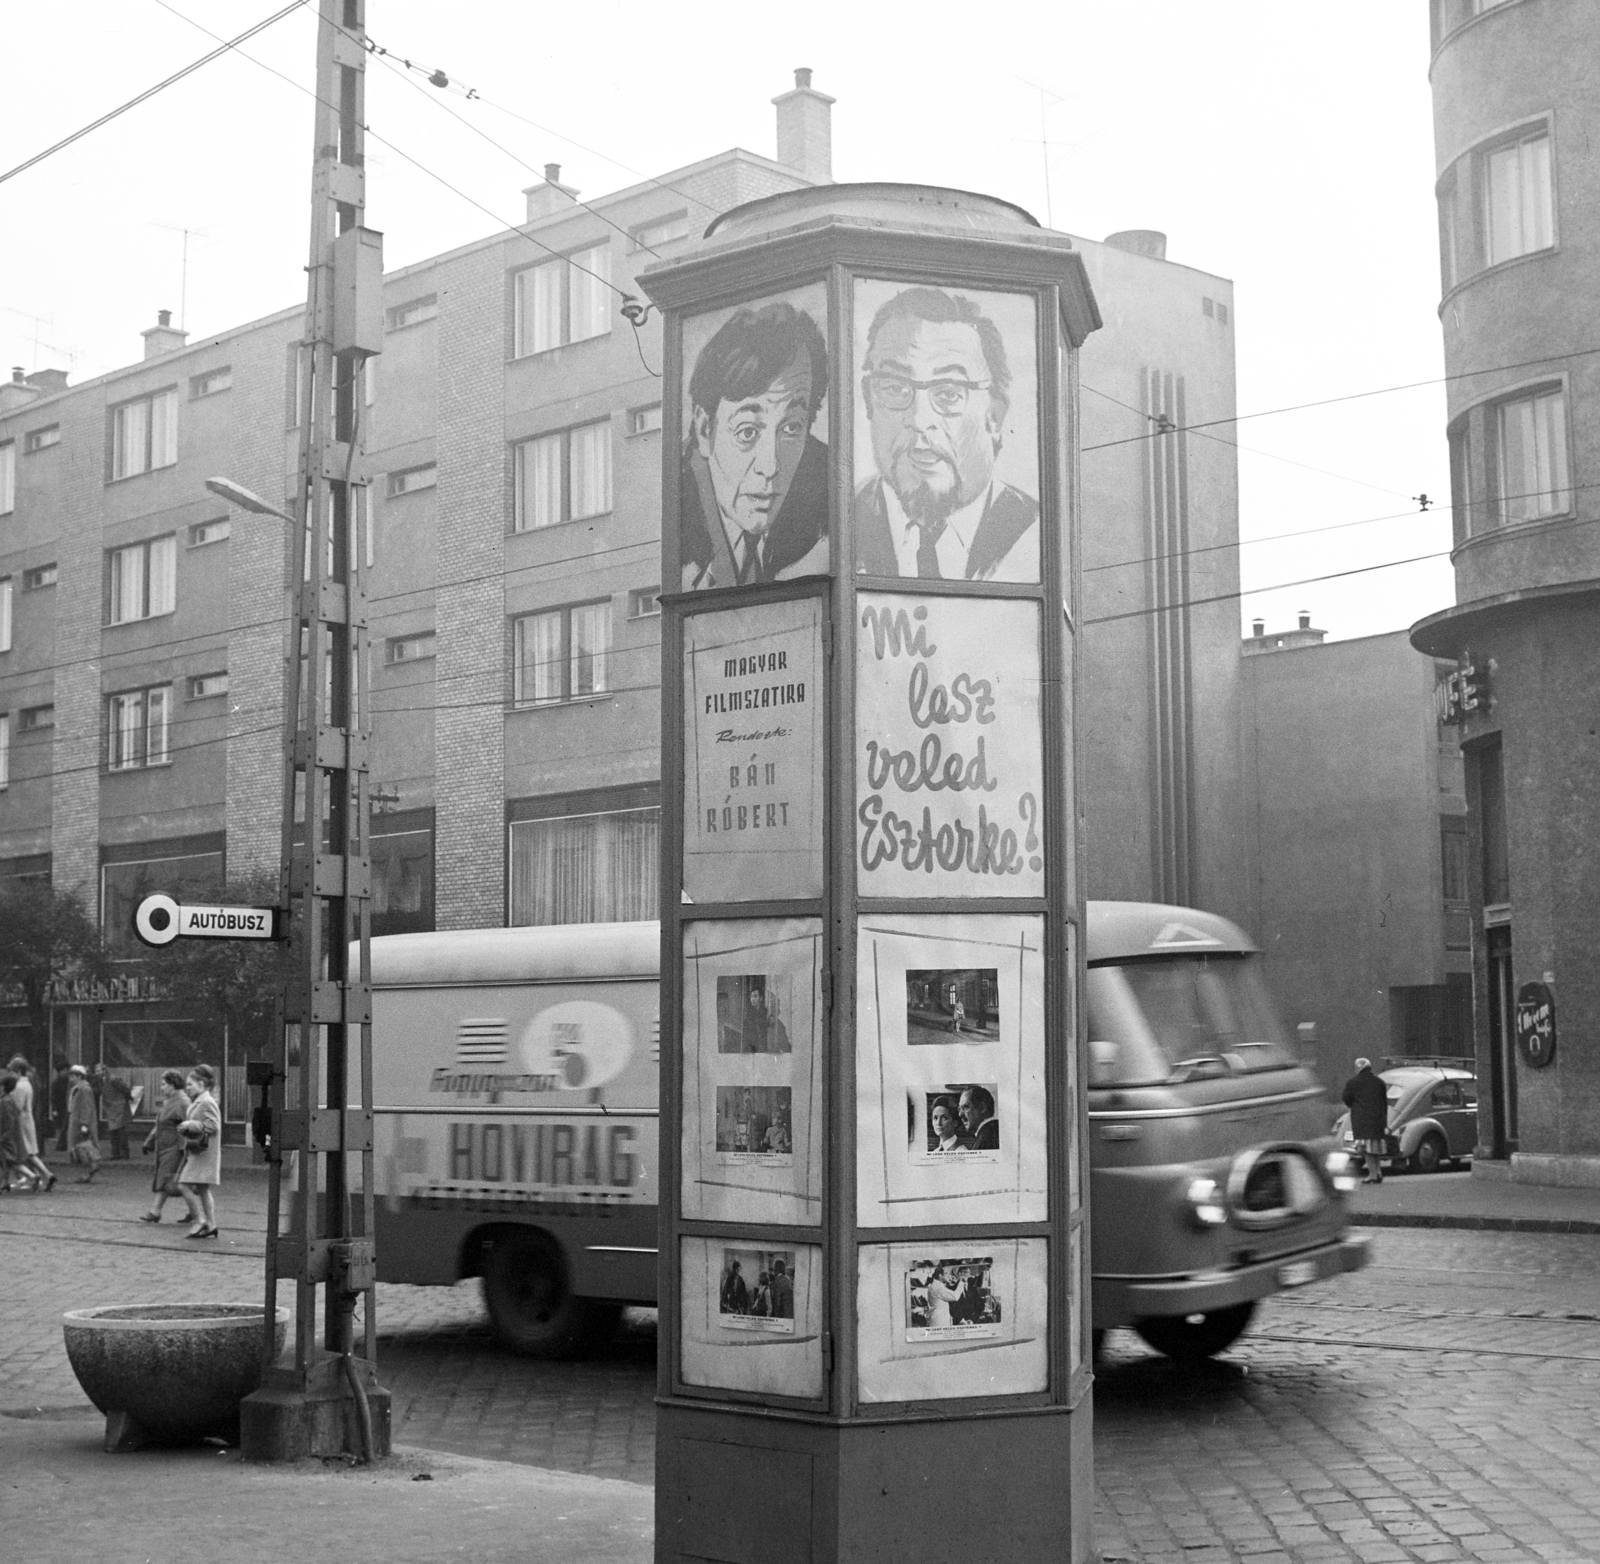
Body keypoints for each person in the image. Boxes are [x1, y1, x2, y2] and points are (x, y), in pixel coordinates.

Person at [854, 285, 1038, 582]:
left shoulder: (1034, 535)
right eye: (894, 388)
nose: (918, 418)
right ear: (868, 401)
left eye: (949, 393)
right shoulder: (834, 528)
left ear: (994, 416)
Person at [680, 299, 829, 590]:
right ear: (704, 429)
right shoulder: (680, 505)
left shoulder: (826, 493)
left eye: (790, 428)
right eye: (747, 432)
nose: (770, 466)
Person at [176, 1064, 223, 1238]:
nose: (187, 1088)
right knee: (203, 1189)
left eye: (190, 1085)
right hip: (201, 1152)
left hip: (203, 1153)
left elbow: (213, 1126)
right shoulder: (201, 1101)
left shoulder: (206, 1102)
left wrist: (190, 1125)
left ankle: (199, 1220)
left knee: (183, 1184)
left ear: (202, 1085)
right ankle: (211, 1224)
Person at [140, 1070, 191, 1223]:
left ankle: (155, 1212)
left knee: (166, 1178)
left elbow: (188, 1126)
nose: (161, 1088)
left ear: (172, 1085)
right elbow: (161, 1124)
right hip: (165, 1147)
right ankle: (194, 1210)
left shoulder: (182, 1102)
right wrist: (149, 1141)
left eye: (164, 1084)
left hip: (175, 1147)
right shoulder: (169, 1101)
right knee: (175, 1181)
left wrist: (185, 1149)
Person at [6, 1055, 54, 1191]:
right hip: (27, 1120)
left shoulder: (21, 1086)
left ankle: (43, 1175)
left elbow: (18, 1107)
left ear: (18, 1071)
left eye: (13, 1072)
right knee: (29, 1153)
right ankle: (38, 1177)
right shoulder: (26, 1084)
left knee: (26, 1152)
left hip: (22, 1123)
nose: (11, 1074)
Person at [1342, 1057, 1389, 1185]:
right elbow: (1385, 1103)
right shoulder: (1379, 1082)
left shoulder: (1352, 1083)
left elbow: (1346, 1098)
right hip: (1378, 1120)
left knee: (1366, 1149)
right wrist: (1385, 1122)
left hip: (1362, 1120)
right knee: (1375, 1147)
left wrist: (1355, 1106)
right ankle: (1378, 1172)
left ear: (1358, 1068)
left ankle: (1372, 1175)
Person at [1, 1074, 38, 1191]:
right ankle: (4, 1183)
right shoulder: (10, 1100)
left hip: (5, 1136)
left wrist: (3, 1136)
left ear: (4, 1087)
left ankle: (32, 1176)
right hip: (10, 1135)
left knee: (10, 1161)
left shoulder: (4, 1102)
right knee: (6, 1161)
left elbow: (7, 1121)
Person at [64, 1064, 101, 1183]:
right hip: (76, 1121)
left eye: (73, 1076)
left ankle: (88, 1171)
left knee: (82, 1148)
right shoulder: (78, 1088)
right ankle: (91, 1168)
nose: (71, 1079)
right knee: (81, 1147)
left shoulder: (85, 1089)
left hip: (80, 1123)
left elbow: (87, 1106)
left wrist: (84, 1124)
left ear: (79, 1076)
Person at [97, 1064, 135, 1160]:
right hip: (111, 1107)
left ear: (104, 1071)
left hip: (118, 1106)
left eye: (98, 1071)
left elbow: (125, 1089)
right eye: (96, 1071)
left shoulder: (114, 1079)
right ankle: (116, 1153)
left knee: (120, 1130)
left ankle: (124, 1154)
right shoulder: (102, 1080)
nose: (97, 1073)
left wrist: (128, 1098)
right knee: (114, 1131)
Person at [924, 1262, 967, 1329]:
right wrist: (961, 1282)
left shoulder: (935, 1285)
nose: (949, 1275)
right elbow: (955, 1297)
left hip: (937, 1320)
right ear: (940, 1276)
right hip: (939, 1322)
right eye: (946, 1273)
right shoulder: (938, 1288)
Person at [958, 1085, 999, 1151]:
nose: (960, 1114)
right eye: (959, 1109)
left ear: (982, 1108)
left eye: (965, 1107)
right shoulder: (993, 1132)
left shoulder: (985, 1139)